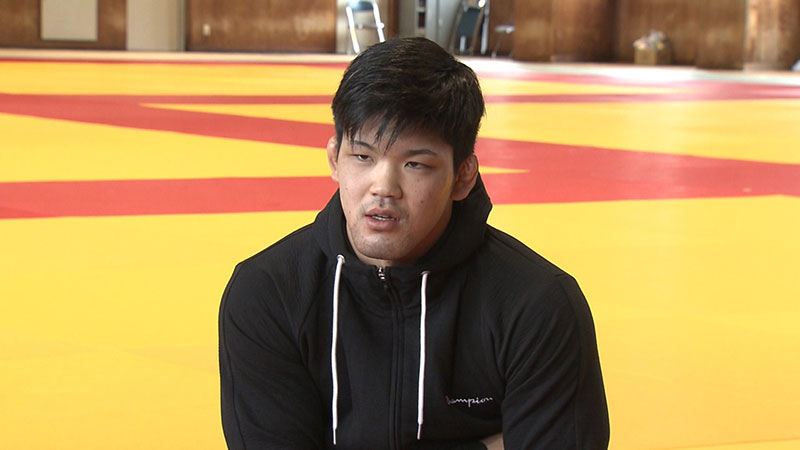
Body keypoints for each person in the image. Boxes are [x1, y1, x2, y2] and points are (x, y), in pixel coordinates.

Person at [219, 37, 609, 449]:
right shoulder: (270, 294)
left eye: (415, 164)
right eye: (363, 157)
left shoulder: (536, 307)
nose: (383, 187)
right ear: (334, 159)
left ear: (462, 177)